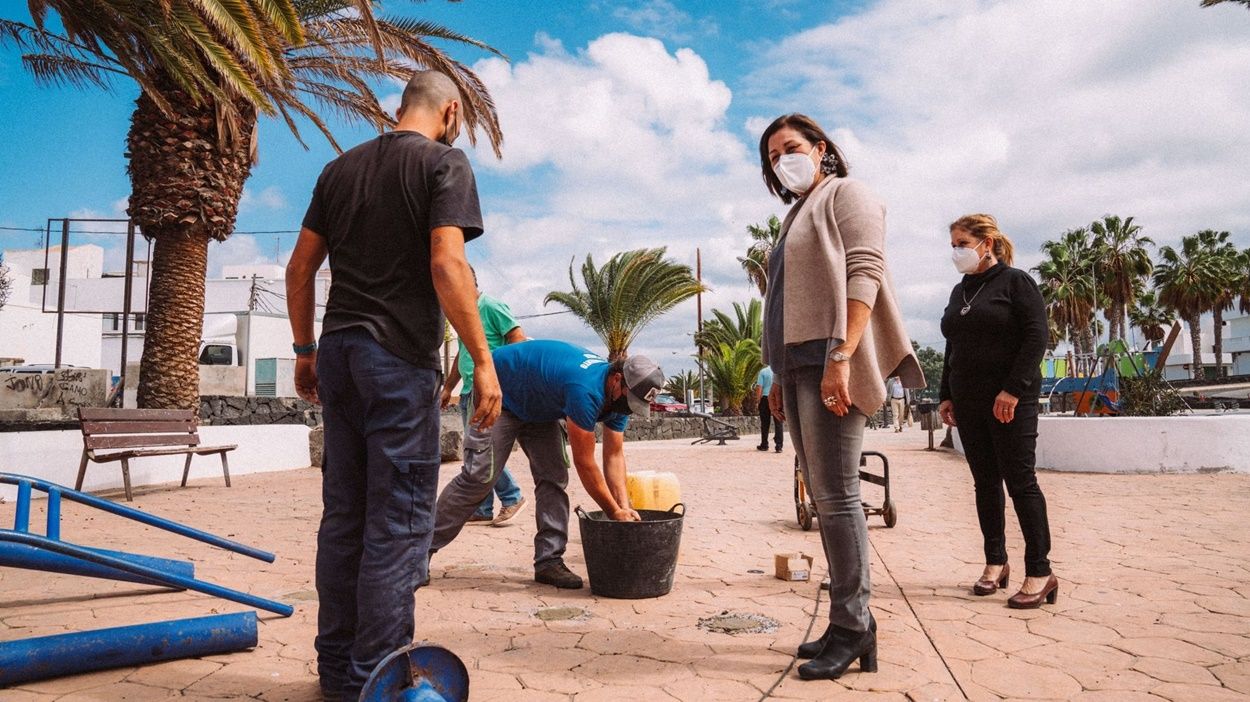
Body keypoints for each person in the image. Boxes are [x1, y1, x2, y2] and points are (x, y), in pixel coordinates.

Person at [285, 70, 502, 701]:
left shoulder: (339, 169)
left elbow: (300, 267)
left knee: (345, 515)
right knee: (398, 522)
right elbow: (446, 261)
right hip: (397, 358)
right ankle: (373, 679)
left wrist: (305, 352)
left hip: (341, 353)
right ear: (452, 111)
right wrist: (482, 361)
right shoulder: (445, 163)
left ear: (401, 106)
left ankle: (335, 671)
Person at [758, 113, 924, 681]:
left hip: (832, 358)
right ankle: (845, 622)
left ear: (821, 148)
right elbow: (784, 302)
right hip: (799, 364)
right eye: (774, 157)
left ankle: (855, 627)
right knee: (823, 494)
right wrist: (779, 374)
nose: (784, 161)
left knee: (838, 496)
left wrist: (842, 356)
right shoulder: (794, 214)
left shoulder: (848, 194)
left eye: (792, 148)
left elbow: (864, 272)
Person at [430, 340, 663, 589]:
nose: (629, 408)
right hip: (500, 390)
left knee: (553, 477)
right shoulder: (585, 390)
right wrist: (613, 512)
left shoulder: (619, 400)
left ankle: (548, 562)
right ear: (617, 379)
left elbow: (614, 456)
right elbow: (586, 464)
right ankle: (418, 554)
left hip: (540, 405)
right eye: (630, 400)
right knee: (479, 478)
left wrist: (623, 509)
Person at [938, 214, 1056, 609]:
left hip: (1009, 402)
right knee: (985, 483)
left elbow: (1036, 337)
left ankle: (1040, 571)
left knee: (1020, 482)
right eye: (952, 244)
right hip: (967, 402)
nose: (956, 250)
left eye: (961, 243)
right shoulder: (960, 291)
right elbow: (952, 346)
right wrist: (945, 394)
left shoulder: (1016, 282)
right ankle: (995, 563)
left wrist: (1012, 390)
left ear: (986, 243)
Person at [440, 267, 528, 526]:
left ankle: (512, 496)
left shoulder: (491, 306)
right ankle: (483, 507)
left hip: (486, 392)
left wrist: (501, 379)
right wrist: (448, 388)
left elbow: (518, 339)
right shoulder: (463, 314)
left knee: (481, 452)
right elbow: (461, 355)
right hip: (468, 391)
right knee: (474, 450)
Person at [755, 366, 783, 452]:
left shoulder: (763, 371)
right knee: (778, 422)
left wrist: (758, 401)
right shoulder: (779, 371)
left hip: (765, 398)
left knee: (765, 423)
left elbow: (759, 387)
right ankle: (779, 446)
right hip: (777, 398)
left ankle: (764, 444)